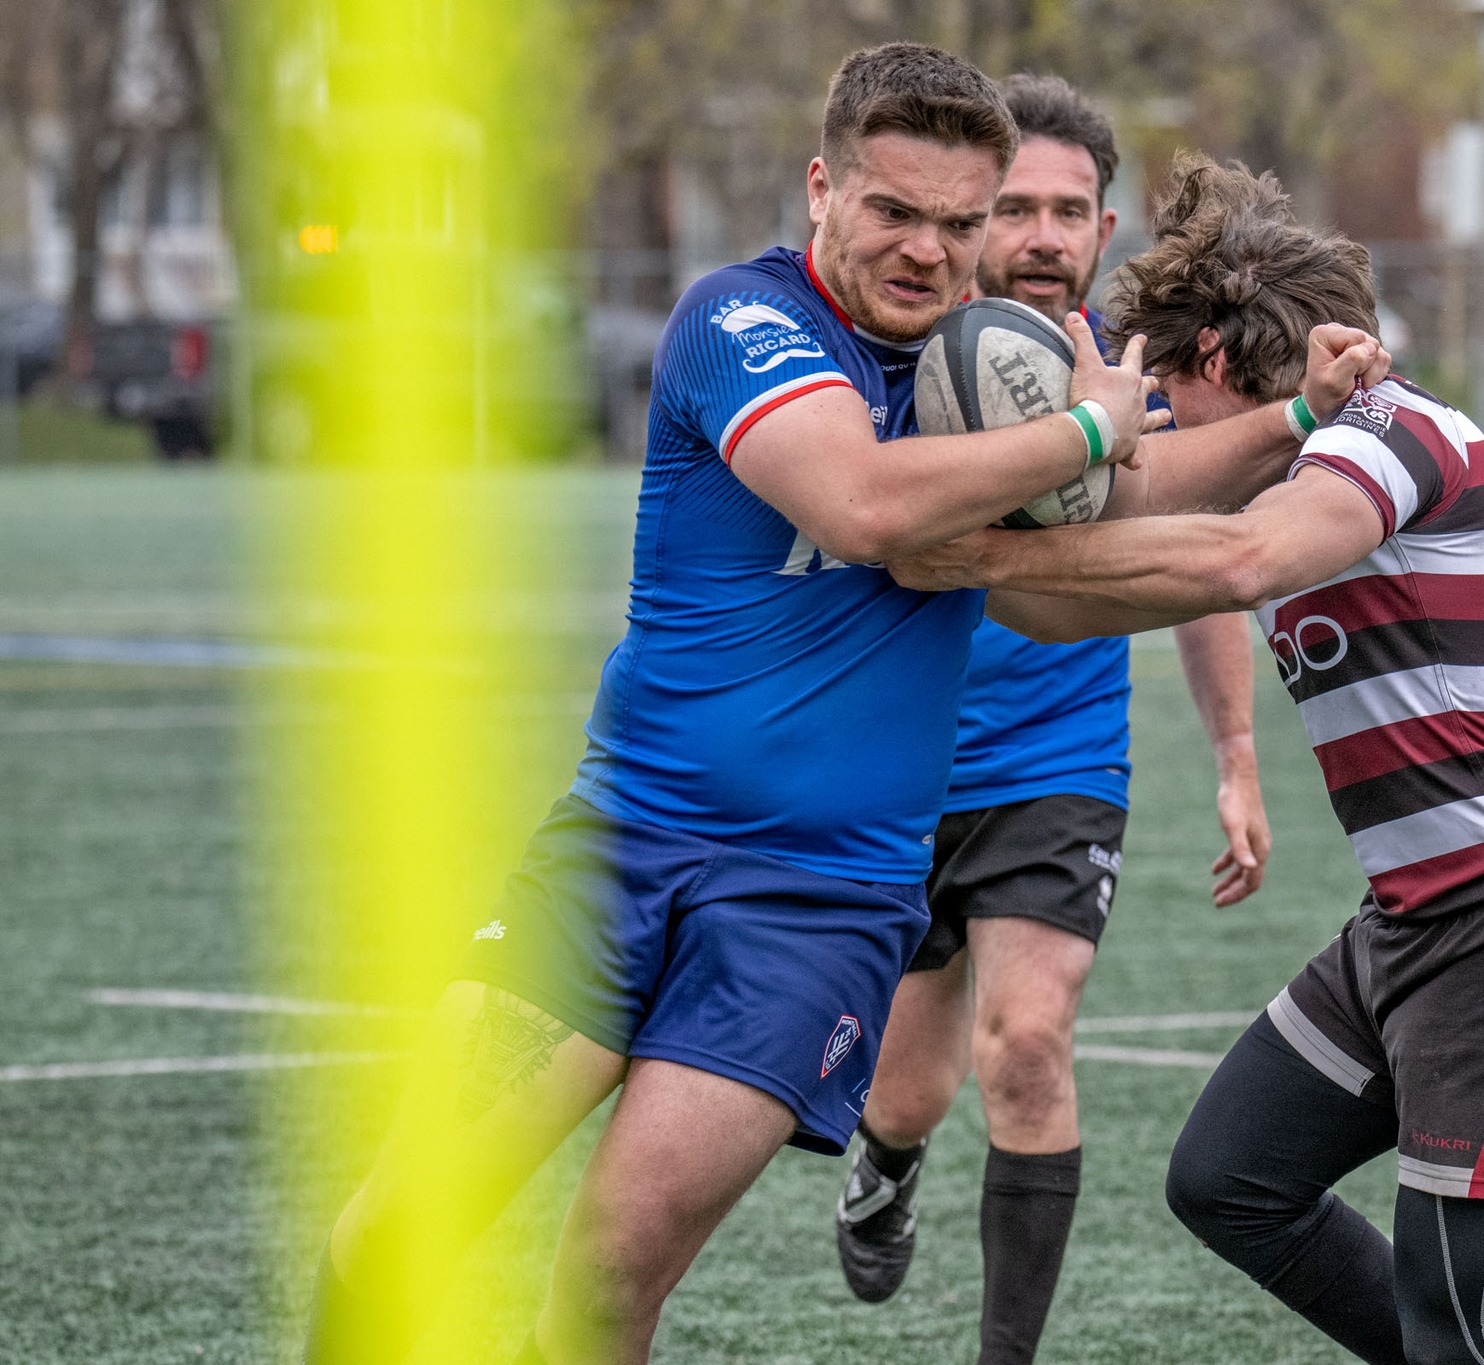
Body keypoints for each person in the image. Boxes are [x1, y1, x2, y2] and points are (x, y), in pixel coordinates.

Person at [299, 44, 1174, 1365]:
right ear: (822, 187)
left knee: (605, 1287)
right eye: (892, 210)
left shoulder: (997, 374)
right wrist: (1092, 436)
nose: (927, 251)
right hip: (618, 852)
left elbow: (1156, 529)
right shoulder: (741, 320)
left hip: (815, 907)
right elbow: (864, 506)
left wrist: (1295, 422)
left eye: (958, 222)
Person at [887, 154, 1484, 1365]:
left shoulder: (1387, 434)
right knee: (1229, 1178)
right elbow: (1065, 606)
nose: (1147, 440)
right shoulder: (1295, 456)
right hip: (1409, 926)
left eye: (1154, 402)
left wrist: (987, 555)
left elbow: (1237, 562)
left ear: (1205, 366)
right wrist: (964, 536)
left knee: (1468, 1330)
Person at [834, 76, 1376, 1365]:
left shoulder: (1121, 377)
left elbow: (1191, 556)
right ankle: (888, 1155)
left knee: (1027, 1042)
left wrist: (1238, 763)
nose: (1033, 233)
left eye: (1063, 209)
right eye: (1008, 206)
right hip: (902, 764)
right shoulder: (903, 351)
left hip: (1058, 763)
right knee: (910, 1086)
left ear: (1100, 225)